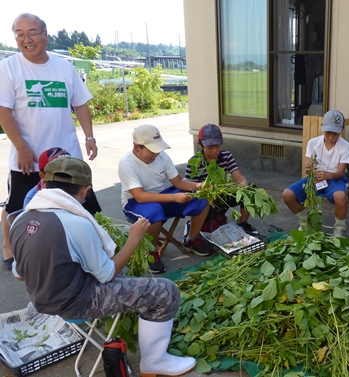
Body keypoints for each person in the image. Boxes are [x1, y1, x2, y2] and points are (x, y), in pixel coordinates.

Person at [9, 156, 196, 377]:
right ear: (86, 189)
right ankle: (155, 361)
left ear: (45, 184)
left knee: (123, 273)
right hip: (73, 303)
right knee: (165, 291)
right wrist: (133, 239)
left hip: (42, 299)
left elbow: (19, 273)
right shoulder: (76, 223)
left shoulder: (21, 220)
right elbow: (107, 274)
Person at [0, 13, 98, 271]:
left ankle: (71, 246)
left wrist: (89, 136)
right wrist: (21, 147)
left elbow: (80, 103)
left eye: (32, 32)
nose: (26, 39)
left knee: (79, 202)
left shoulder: (64, 66)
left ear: (45, 35)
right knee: (18, 206)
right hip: (28, 157)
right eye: (19, 34)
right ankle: (10, 247)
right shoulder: (8, 67)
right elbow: (3, 111)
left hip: (67, 156)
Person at [118, 124, 211, 274]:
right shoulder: (126, 164)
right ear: (137, 147)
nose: (156, 154)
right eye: (152, 150)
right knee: (154, 212)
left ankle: (191, 239)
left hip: (163, 196)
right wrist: (174, 198)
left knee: (202, 200)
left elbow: (179, 183)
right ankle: (151, 251)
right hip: (135, 203)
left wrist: (200, 186)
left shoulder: (162, 156)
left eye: (157, 149)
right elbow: (140, 196)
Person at [283, 109, 349, 237]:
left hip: (335, 179)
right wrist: (308, 168)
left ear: (342, 130)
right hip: (315, 179)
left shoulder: (346, 146)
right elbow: (309, 165)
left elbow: (341, 173)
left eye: (335, 134)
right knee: (287, 195)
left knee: (341, 198)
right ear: (322, 128)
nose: (331, 137)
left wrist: (328, 175)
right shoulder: (313, 143)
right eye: (328, 133)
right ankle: (305, 222)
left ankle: (338, 229)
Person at [184, 123, 259, 237]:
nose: (215, 151)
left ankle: (243, 223)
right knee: (210, 202)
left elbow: (239, 177)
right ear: (200, 144)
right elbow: (189, 187)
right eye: (210, 148)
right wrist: (203, 188)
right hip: (207, 197)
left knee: (251, 190)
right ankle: (199, 226)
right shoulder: (195, 162)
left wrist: (243, 184)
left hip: (223, 192)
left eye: (218, 146)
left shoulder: (226, 156)